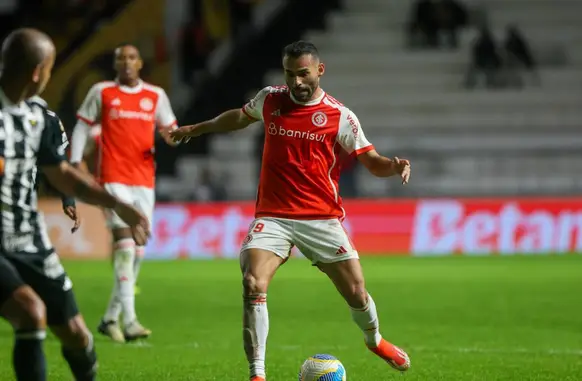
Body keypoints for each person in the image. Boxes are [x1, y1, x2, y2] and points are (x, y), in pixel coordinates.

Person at [171, 40, 412, 381]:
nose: (297, 82)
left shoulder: (339, 116)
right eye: (290, 73)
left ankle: (375, 340)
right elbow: (239, 118)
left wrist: (393, 165)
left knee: (357, 293)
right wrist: (198, 128)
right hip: (273, 217)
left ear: (319, 70)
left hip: (321, 218)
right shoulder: (270, 98)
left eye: (303, 74)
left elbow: (371, 162)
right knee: (253, 282)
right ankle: (257, 374)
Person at [0, 28, 150, 381]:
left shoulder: (40, 117)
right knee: (31, 312)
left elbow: (63, 173)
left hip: (31, 241)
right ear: (39, 72)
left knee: (77, 335)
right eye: (51, 69)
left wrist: (118, 204)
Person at [69, 43, 178, 343]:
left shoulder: (155, 95)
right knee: (126, 245)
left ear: (140, 63)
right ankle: (129, 321)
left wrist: (181, 136)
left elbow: (170, 129)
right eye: (121, 58)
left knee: (138, 249)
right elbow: (81, 127)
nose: (127, 63)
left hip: (144, 181)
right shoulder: (102, 91)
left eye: (132, 57)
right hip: (112, 180)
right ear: (115, 64)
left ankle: (109, 318)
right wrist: (76, 161)